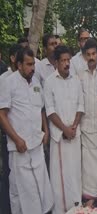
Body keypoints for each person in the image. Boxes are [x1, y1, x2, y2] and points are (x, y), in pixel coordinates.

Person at [0, 47, 54, 214]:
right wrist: (16, 139)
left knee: (41, 189)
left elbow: (41, 110)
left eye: (33, 64)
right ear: (19, 65)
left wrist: (46, 131)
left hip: (37, 145)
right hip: (19, 148)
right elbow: (2, 115)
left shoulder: (36, 83)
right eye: (29, 65)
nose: (32, 68)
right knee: (22, 193)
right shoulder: (8, 82)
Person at [44, 45, 84, 214]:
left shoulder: (76, 80)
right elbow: (50, 111)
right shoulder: (49, 82)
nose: (67, 64)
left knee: (75, 174)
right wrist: (65, 129)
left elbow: (81, 106)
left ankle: (76, 208)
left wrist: (73, 126)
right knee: (60, 178)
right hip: (59, 137)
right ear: (56, 63)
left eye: (68, 60)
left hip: (74, 135)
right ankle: (60, 211)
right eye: (63, 61)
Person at [77, 38, 97, 207]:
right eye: (88, 55)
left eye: (94, 54)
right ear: (85, 56)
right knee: (88, 168)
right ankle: (89, 199)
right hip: (86, 127)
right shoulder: (79, 75)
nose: (92, 57)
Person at [0, 43, 22, 214]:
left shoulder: (30, 80)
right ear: (14, 59)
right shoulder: (5, 80)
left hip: (30, 141)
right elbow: (3, 114)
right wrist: (15, 138)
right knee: (12, 179)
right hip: (12, 139)